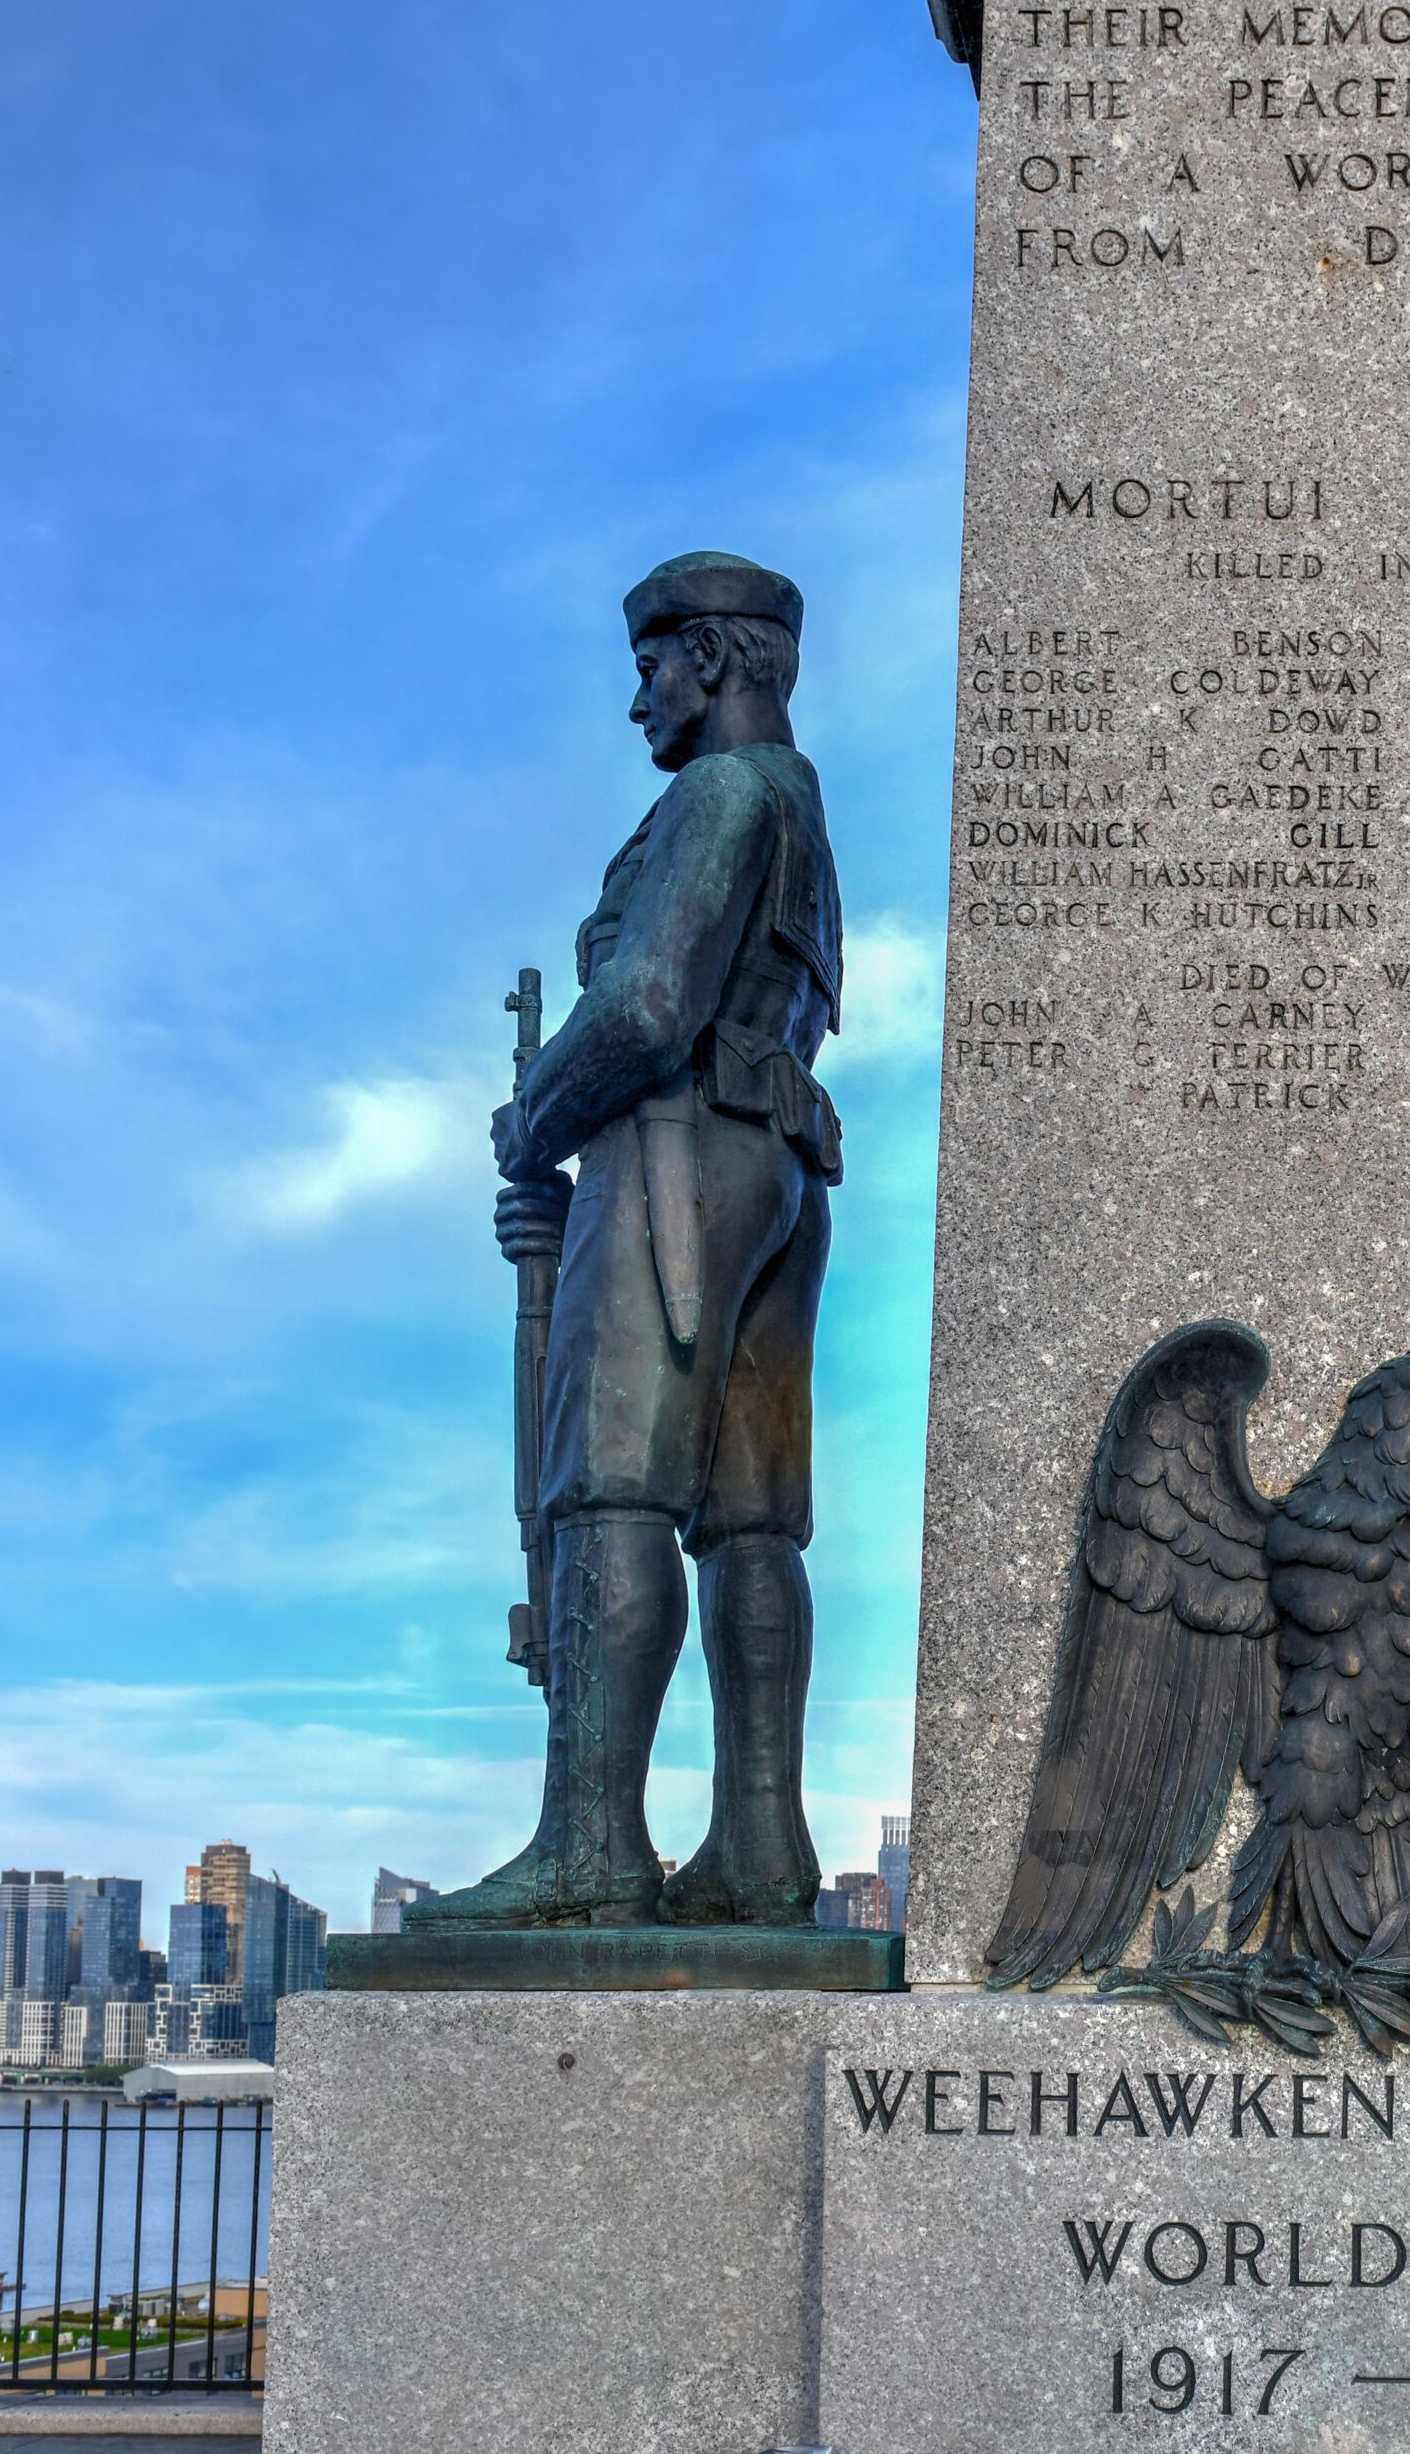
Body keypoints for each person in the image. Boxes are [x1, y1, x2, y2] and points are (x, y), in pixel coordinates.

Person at [407, 553, 845, 1931]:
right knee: (750, 1517)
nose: (639, 700)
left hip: (675, 1151)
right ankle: (760, 1854)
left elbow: (649, 1006)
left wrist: (533, 1118)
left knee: (612, 1492)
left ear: (710, 657)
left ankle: (592, 1849)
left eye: (652, 668)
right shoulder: (803, 812)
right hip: (781, 1165)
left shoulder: (717, 797)